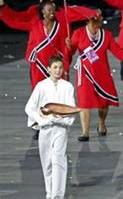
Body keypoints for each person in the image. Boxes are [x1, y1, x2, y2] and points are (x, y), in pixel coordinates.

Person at [66, 9, 123, 141]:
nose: (100, 18)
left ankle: (101, 123)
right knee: (84, 102)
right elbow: (69, 53)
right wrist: (68, 47)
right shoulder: (78, 33)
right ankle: (85, 132)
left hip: (102, 72)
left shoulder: (106, 34)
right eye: (97, 16)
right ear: (89, 19)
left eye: (101, 16)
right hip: (85, 73)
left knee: (103, 102)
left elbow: (116, 50)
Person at [24, 55, 76, 199]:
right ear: (48, 69)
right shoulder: (41, 86)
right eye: (55, 67)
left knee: (59, 160)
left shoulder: (68, 87)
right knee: (47, 163)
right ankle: (50, 193)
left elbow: (71, 108)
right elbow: (29, 107)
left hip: (60, 129)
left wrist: (66, 122)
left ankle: (57, 195)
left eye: (60, 67)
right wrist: (41, 121)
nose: (58, 70)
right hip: (46, 129)